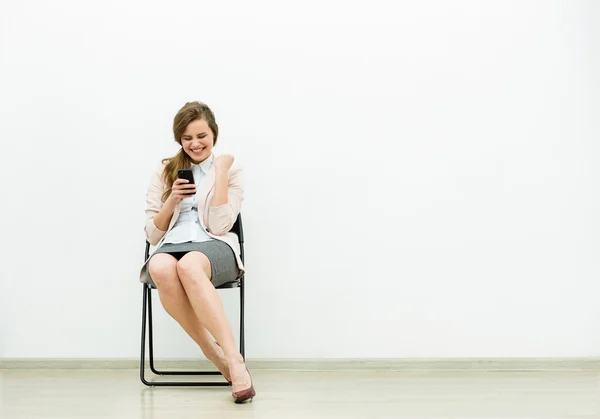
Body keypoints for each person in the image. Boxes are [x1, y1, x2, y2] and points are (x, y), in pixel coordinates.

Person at [138, 101, 255, 403]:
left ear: (214, 134)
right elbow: (152, 235)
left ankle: (233, 359)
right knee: (161, 268)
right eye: (187, 138)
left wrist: (219, 172)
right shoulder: (165, 170)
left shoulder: (231, 170)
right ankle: (212, 352)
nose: (195, 144)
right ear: (179, 139)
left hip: (214, 247)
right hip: (172, 244)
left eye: (201, 136)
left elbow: (219, 226)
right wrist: (172, 200)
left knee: (189, 266)